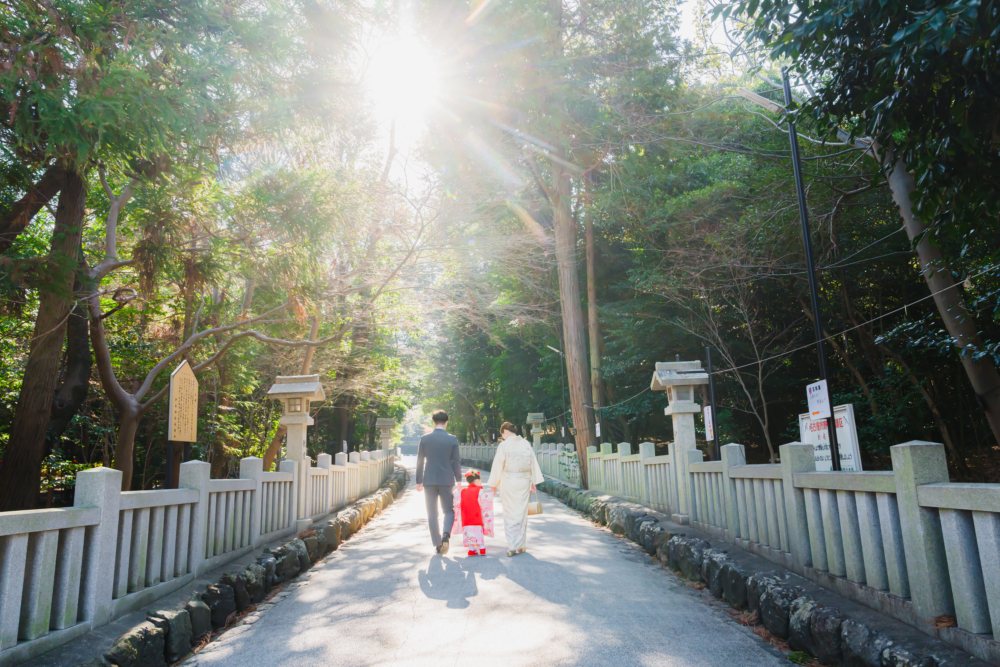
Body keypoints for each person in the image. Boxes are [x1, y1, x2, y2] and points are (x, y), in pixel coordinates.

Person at [485, 421, 544, 556]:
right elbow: (532, 463)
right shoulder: (525, 443)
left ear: (505, 431)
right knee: (522, 513)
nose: (503, 437)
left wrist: (493, 483)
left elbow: (498, 464)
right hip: (524, 482)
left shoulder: (504, 445)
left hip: (509, 482)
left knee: (510, 513)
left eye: (503, 435)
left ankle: (512, 545)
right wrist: (533, 481)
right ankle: (521, 545)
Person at [416, 410, 462, 554]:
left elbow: (419, 461)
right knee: (448, 510)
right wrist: (459, 479)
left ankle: (437, 544)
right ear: (446, 422)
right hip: (447, 480)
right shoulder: (452, 439)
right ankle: (445, 535)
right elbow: (456, 462)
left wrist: (419, 481)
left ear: (433, 422)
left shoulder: (424, 439)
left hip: (429, 480)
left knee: (432, 513)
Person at [451, 471, 494, 556]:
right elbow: (485, 502)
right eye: (480, 481)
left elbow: (457, 499)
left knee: (469, 533)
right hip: (476, 517)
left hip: (466, 518)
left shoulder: (463, 491)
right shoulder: (479, 490)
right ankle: (482, 548)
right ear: (477, 481)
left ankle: (471, 549)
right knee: (478, 533)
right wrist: (491, 494)